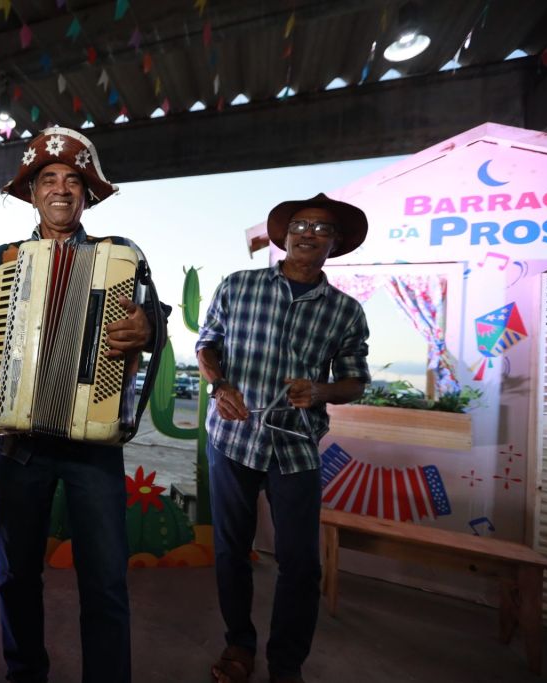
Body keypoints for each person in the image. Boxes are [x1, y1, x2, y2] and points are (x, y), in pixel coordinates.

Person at [0, 127, 164, 683]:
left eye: (73, 180)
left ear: (86, 195)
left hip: (93, 447)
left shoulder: (121, 256)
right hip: (20, 443)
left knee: (105, 580)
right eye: (49, 179)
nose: (62, 188)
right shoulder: (5, 258)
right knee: (17, 575)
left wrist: (147, 326)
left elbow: (152, 321)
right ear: (33, 192)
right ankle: (25, 673)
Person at [195, 193, 371, 683]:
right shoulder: (239, 286)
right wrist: (219, 383)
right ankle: (239, 645)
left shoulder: (345, 311)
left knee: (300, 563)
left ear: (334, 244)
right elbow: (207, 341)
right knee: (231, 549)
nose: (308, 232)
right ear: (284, 235)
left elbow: (355, 380)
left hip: (295, 447)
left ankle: (286, 664)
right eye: (300, 224)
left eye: (321, 228)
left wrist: (321, 390)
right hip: (233, 439)